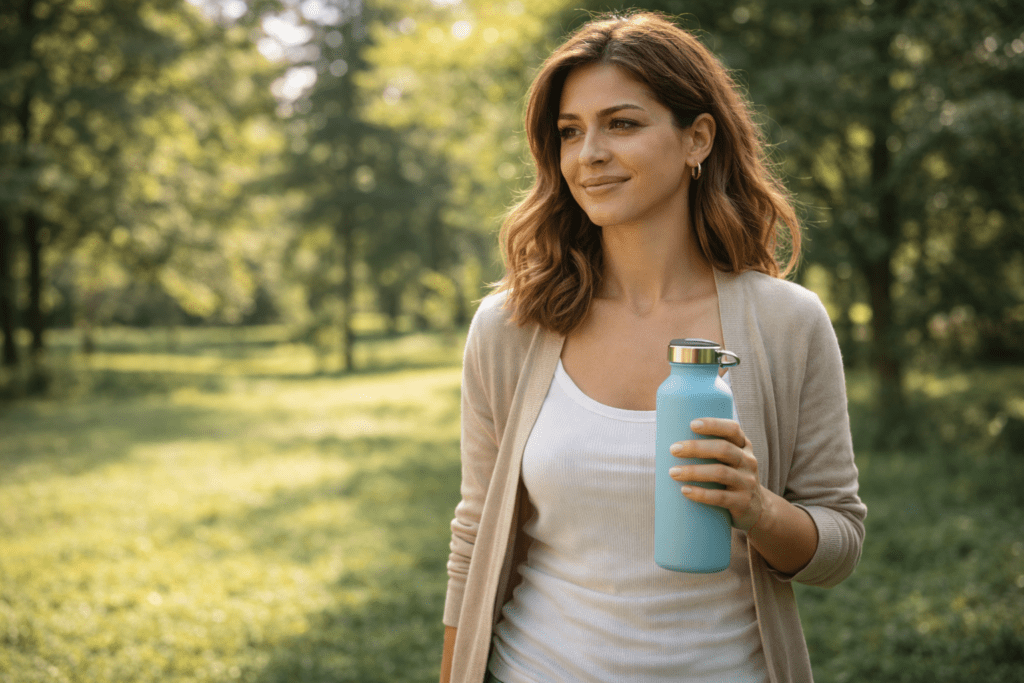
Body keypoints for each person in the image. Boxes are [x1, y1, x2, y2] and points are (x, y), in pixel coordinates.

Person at [440, 11, 866, 683]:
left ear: (698, 138)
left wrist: (757, 509)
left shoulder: (788, 322)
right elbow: (474, 537)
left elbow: (838, 544)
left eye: (622, 123)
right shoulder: (511, 327)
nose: (589, 154)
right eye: (570, 131)